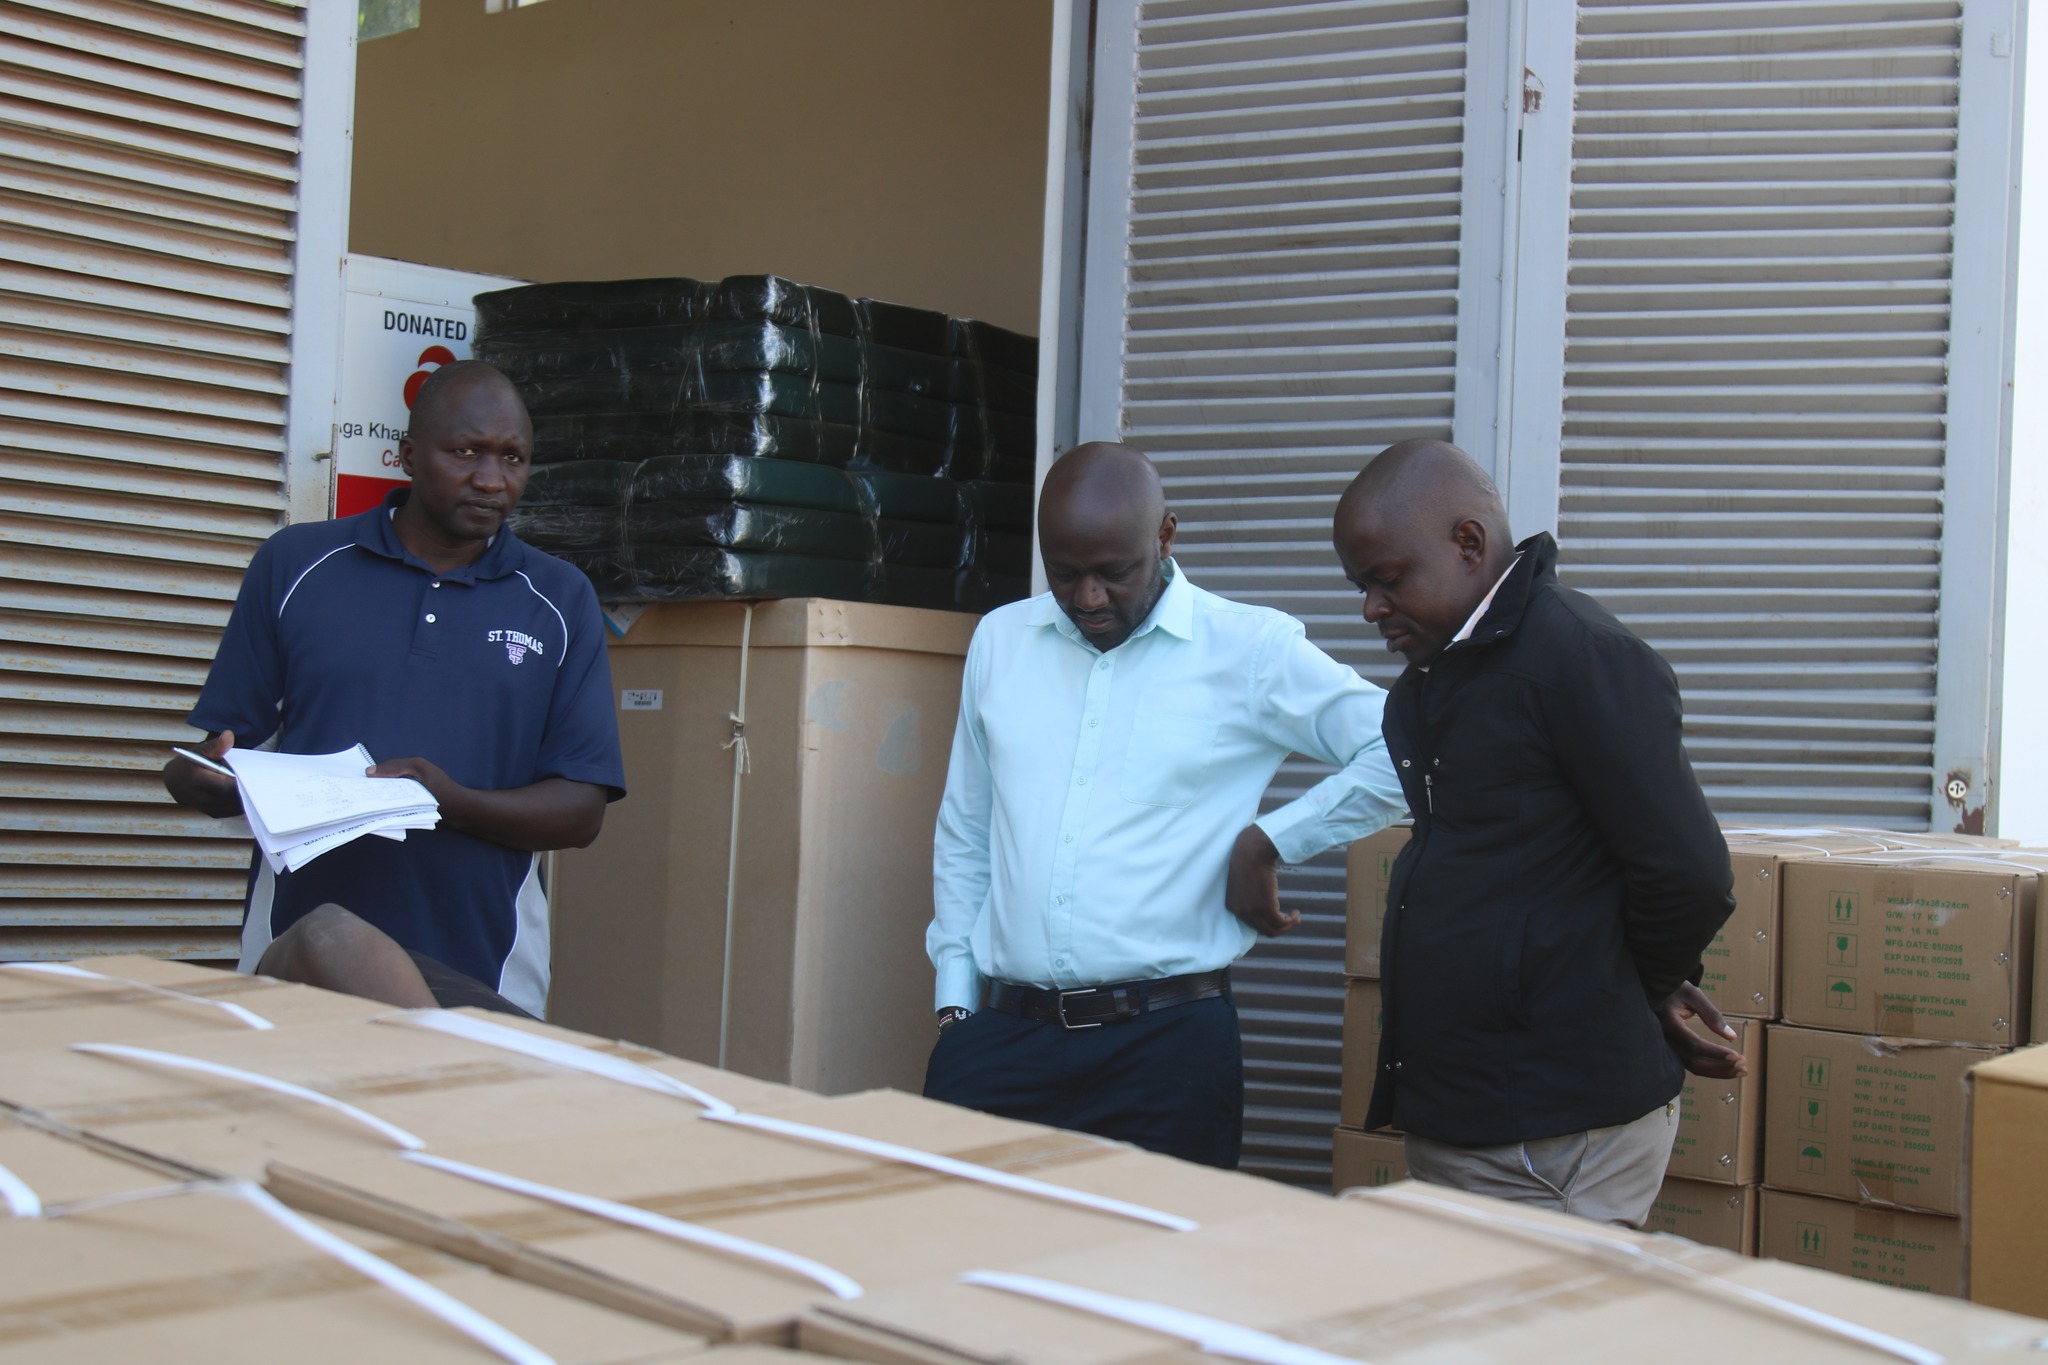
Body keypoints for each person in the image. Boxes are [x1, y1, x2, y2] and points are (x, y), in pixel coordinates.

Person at [924, 441, 1407, 1168]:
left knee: (1154, 1276)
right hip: (997, 1040)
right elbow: (966, 830)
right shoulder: (1000, 641)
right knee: (952, 1264)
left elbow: (1405, 748)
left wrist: (1271, 840)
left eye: (1113, 573)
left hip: (1165, 1052)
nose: (1088, 597)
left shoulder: (1248, 649)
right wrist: (956, 1002)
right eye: (1065, 574)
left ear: (1166, 536)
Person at [1332, 438, 1740, 1227]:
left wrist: (1643, 981)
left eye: (1387, 580)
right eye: (1361, 587)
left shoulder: (1583, 660)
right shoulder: (1436, 681)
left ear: (1469, 543)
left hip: (1554, 1134)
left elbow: (1689, 872)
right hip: (1472, 1115)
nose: (1371, 609)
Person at [164, 361, 624, 1016]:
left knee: (457, 1115)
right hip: (299, 949)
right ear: (407, 455)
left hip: (487, 963)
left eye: (513, 458)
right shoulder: (295, 564)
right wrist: (202, 781)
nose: (491, 479)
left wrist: (447, 800)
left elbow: (581, 810)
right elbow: (218, 758)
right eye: (465, 451)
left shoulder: (557, 599)